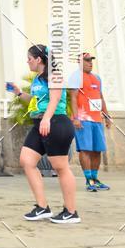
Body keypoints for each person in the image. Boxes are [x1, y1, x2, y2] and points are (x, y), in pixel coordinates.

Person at [12, 45, 80, 224]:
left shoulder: (55, 75)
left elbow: (56, 98)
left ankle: (71, 212)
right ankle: (42, 207)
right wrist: (18, 93)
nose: (27, 61)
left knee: (60, 167)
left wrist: (47, 119)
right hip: (41, 123)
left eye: (29, 58)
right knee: (27, 161)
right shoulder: (37, 79)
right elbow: (35, 102)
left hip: (56, 122)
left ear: (39, 59)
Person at [72, 53, 112, 192]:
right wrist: (75, 117)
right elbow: (73, 97)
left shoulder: (97, 78)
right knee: (86, 149)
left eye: (91, 60)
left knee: (97, 150)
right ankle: (89, 181)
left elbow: (100, 97)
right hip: (83, 119)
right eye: (87, 60)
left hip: (96, 119)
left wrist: (107, 116)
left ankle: (95, 179)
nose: (90, 63)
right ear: (80, 62)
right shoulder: (76, 77)